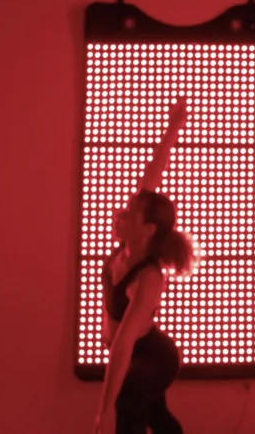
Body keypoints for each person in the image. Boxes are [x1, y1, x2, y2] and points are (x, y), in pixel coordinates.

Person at [94, 98, 190, 434]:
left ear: (147, 229)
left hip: (153, 357)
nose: (118, 215)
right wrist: (173, 128)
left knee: (128, 405)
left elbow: (123, 345)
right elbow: (153, 173)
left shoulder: (149, 278)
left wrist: (103, 410)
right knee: (157, 417)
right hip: (135, 351)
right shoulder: (129, 247)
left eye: (128, 215)